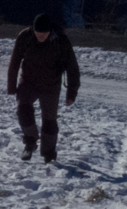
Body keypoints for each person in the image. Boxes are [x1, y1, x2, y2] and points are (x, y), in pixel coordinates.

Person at [6, 12, 81, 163]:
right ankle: (30, 142)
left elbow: (72, 68)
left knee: (49, 121)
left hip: (51, 85)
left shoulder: (60, 40)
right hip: (28, 82)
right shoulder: (25, 37)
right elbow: (14, 63)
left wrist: (71, 93)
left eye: (44, 34)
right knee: (23, 110)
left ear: (50, 31)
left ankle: (48, 154)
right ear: (33, 30)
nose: (40, 36)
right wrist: (11, 86)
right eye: (38, 33)